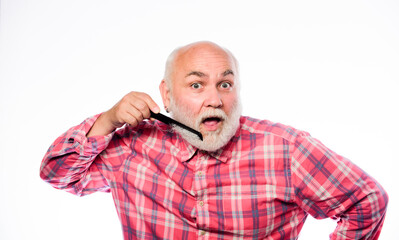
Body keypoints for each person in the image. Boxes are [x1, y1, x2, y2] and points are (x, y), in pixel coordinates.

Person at [40, 41, 388, 239]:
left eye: (225, 84)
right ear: (167, 95)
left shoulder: (285, 150)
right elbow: (58, 173)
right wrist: (107, 120)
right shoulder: (134, 147)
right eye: (196, 85)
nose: (215, 99)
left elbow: (367, 201)